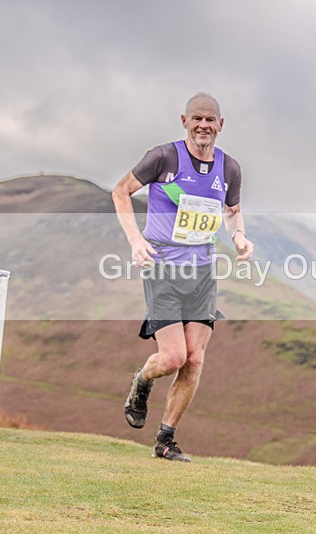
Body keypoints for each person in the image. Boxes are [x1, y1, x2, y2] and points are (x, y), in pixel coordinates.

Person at [112, 93, 252, 461]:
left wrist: (239, 236)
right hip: (163, 269)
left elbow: (232, 211)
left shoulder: (229, 168)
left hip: (202, 273)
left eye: (210, 119)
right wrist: (135, 240)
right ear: (184, 121)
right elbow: (121, 191)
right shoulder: (163, 157)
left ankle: (166, 440)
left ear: (221, 125)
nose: (204, 125)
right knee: (173, 357)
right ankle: (142, 380)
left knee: (195, 360)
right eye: (197, 118)